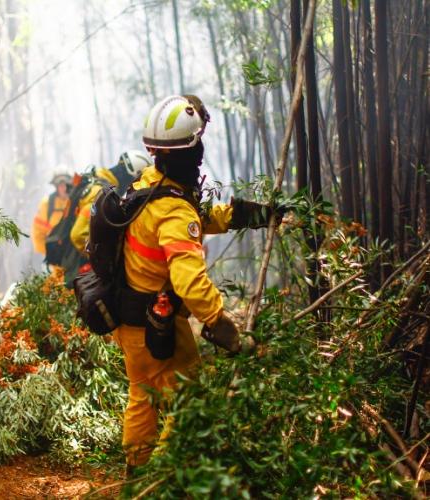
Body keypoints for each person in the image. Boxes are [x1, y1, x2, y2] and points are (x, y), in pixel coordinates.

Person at [114, 95, 282, 470]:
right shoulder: (172, 208)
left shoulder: (148, 186)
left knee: (142, 394)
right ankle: (160, 482)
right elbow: (189, 282)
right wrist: (222, 324)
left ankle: (136, 472)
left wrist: (252, 215)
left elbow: (198, 214)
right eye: (199, 144)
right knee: (188, 397)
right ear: (190, 151)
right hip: (156, 323)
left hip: (127, 319)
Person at [70, 151, 152, 257]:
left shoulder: (99, 178)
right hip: (75, 265)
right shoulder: (100, 194)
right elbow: (77, 235)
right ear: (129, 175)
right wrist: (101, 259)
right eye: (134, 180)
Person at [31, 172, 72, 255]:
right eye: (61, 185)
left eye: (66, 184)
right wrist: (50, 253)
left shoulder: (78, 200)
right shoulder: (47, 204)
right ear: (56, 186)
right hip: (58, 259)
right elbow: (37, 234)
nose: (64, 188)